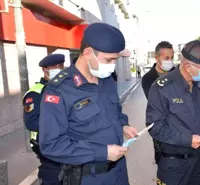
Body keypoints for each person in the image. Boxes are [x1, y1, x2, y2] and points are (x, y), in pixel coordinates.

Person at [39, 23, 138, 185]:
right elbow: (52, 145)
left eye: (115, 59)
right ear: (87, 53)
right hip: (88, 177)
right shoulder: (60, 90)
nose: (112, 65)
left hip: (119, 172)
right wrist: (102, 153)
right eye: (108, 59)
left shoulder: (106, 80)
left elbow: (115, 112)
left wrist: (123, 126)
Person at [146, 40, 200, 185]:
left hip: (197, 158)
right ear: (188, 66)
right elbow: (154, 127)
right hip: (173, 164)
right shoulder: (162, 88)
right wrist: (188, 140)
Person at [23, 54, 65, 185]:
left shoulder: (64, 88)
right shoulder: (35, 93)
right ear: (45, 70)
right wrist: (60, 125)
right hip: (47, 148)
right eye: (54, 67)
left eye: (61, 66)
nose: (58, 69)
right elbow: (31, 122)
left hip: (68, 145)